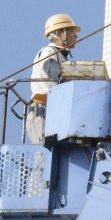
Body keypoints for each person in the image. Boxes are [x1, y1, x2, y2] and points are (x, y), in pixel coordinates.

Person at [26, 13, 80, 143]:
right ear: (60, 33)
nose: (76, 36)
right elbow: (54, 71)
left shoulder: (60, 56)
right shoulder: (48, 52)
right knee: (45, 155)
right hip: (42, 113)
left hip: (53, 112)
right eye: (72, 32)